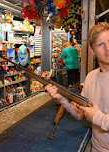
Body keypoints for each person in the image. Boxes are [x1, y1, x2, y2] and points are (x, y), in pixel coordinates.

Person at [45, 22, 109, 152]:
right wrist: (62, 98)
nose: (107, 48)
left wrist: (97, 117)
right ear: (92, 50)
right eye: (100, 44)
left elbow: (95, 116)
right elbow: (80, 114)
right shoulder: (91, 77)